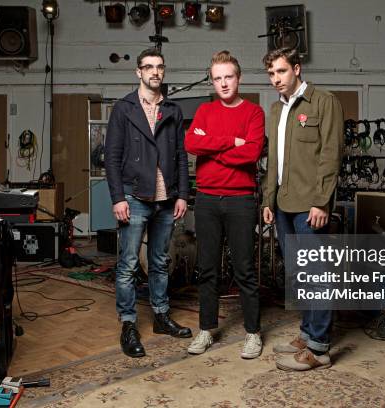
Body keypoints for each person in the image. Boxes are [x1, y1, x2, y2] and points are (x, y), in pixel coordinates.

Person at [105, 48, 192, 358]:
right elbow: (112, 158)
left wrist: (182, 193)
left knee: (159, 262)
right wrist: (117, 197)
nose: (155, 72)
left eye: (159, 67)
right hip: (133, 195)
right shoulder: (123, 109)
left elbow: (181, 155)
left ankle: (160, 316)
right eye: (148, 67)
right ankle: (128, 323)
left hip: (166, 198)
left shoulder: (173, 109)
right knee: (128, 265)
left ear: (163, 71)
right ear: (138, 72)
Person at [261, 47, 344, 371]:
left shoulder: (324, 102)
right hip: (283, 204)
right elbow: (273, 165)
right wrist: (268, 201)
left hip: (311, 206)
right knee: (299, 274)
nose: (276, 79)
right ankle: (308, 334)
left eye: (281, 71)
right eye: (271, 74)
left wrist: (322, 201)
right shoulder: (275, 110)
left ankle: (320, 348)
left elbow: (331, 155)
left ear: (297, 69)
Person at [184, 50, 265, 359]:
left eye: (228, 77)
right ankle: (206, 330)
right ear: (212, 82)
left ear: (238, 78)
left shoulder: (254, 113)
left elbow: (251, 154)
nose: (223, 83)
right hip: (206, 199)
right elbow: (192, 144)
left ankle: (253, 333)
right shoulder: (204, 111)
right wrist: (232, 141)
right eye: (217, 79)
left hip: (240, 200)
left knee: (244, 269)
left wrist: (212, 144)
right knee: (207, 269)